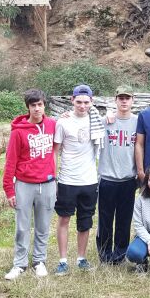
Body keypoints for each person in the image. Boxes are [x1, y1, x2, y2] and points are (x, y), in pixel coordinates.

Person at [1, 89, 57, 280]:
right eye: (33, 105)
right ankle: (19, 264)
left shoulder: (52, 125)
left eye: (40, 104)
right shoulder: (18, 132)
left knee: (43, 226)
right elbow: (10, 161)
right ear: (28, 108)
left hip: (48, 183)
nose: (37, 109)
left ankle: (39, 261)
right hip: (24, 184)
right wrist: (9, 189)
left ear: (44, 105)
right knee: (22, 227)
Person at [53, 85, 104, 275]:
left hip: (89, 180)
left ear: (92, 102)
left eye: (86, 102)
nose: (82, 106)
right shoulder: (63, 122)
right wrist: (54, 177)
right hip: (67, 179)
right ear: (72, 100)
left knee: (85, 221)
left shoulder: (96, 119)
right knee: (64, 218)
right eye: (79, 102)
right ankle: (63, 260)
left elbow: (114, 118)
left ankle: (81, 258)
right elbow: (55, 151)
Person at [97, 86, 138, 265]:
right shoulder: (105, 121)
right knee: (105, 219)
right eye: (120, 98)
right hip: (107, 178)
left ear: (132, 101)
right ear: (115, 100)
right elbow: (82, 117)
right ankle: (105, 254)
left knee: (124, 219)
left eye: (127, 98)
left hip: (128, 179)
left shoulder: (138, 121)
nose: (124, 101)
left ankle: (120, 254)